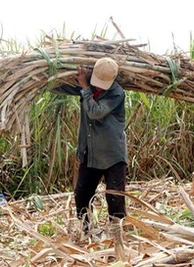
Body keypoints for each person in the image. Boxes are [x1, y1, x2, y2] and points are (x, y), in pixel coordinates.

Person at [51, 57, 128, 233]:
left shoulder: (117, 93)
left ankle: (117, 233)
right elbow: (61, 87)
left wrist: (85, 87)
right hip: (90, 151)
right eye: (96, 83)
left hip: (112, 153)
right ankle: (87, 230)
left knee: (115, 196)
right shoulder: (88, 87)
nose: (99, 87)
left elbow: (95, 112)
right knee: (82, 194)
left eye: (103, 84)